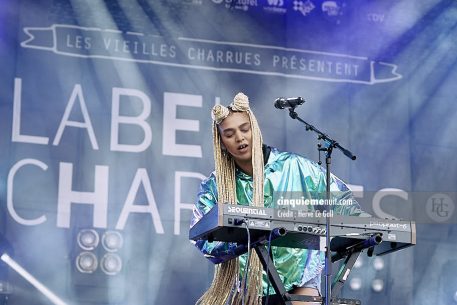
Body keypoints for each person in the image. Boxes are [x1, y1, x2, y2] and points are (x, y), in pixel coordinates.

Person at [189, 92, 366, 305]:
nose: (240, 138)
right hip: (248, 289)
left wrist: (366, 226)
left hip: (301, 282)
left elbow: (343, 200)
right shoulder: (214, 186)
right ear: (221, 142)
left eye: (245, 129)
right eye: (229, 133)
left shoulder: (295, 166)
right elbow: (201, 237)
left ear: (255, 129)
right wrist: (246, 239)